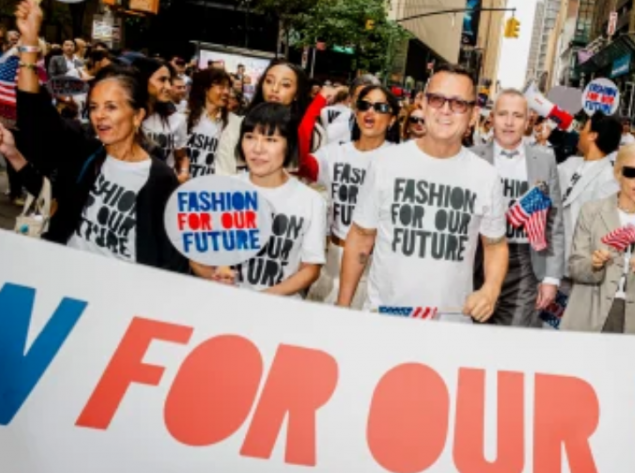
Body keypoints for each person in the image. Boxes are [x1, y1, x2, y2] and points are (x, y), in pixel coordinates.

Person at [1, 0, 187, 473]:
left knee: (92, 398)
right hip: (64, 291)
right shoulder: (85, 153)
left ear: (137, 113)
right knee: (49, 388)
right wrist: (30, 44)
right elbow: (34, 125)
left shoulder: (159, 185)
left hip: (117, 309)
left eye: (111, 107)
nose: (99, 115)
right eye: (95, 106)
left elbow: (170, 261)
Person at [337, 63, 509, 324]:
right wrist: (342, 309)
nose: (446, 110)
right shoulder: (385, 163)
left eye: (458, 103)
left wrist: (491, 289)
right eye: (437, 99)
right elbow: (361, 238)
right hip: (384, 321)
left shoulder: (486, 177)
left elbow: (495, 246)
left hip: (450, 327)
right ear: (424, 104)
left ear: (473, 115)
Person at [192, 103, 326, 297]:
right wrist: (214, 274)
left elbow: (310, 268)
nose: (257, 149)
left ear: (288, 145)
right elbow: (196, 257)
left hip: (279, 310)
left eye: (271, 139)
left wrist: (263, 298)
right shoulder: (221, 190)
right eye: (249, 137)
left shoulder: (311, 200)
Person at [471, 88, 565, 327]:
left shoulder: (544, 160)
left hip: (525, 261)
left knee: (514, 339)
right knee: (473, 333)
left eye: (517, 115)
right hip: (478, 257)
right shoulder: (472, 158)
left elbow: (554, 222)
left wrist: (551, 278)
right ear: (491, 117)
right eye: (503, 114)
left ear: (528, 120)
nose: (510, 122)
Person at [561, 141, 635, 334]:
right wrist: (593, 264)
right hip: (588, 314)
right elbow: (575, 267)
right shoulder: (592, 211)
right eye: (631, 172)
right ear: (618, 174)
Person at [307, 84, 399, 304]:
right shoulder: (335, 152)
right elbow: (296, 159)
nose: (370, 112)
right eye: (364, 105)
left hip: (372, 269)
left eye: (380, 108)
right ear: (355, 112)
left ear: (392, 119)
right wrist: (318, 101)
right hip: (330, 261)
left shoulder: (398, 159)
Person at [213, 60, 315, 175]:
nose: (275, 89)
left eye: (285, 84)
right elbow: (223, 176)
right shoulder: (237, 126)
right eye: (269, 81)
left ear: (297, 93)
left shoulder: (312, 133)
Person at [558, 110, 622, 262]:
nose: (579, 133)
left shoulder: (610, 178)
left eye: (584, 129)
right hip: (554, 255)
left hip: (580, 260)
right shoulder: (570, 163)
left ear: (593, 135)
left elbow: (602, 227)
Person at [133, 57, 189, 183]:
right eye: (162, 80)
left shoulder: (176, 119)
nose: (169, 87)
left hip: (162, 189)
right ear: (144, 79)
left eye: (169, 81)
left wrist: (183, 174)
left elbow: (181, 156)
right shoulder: (126, 116)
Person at [186, 67, 235, 178]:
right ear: (205, 89)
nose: (226, 92)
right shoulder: (184, 115)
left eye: (228, 87)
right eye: (221, 87)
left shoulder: (231, 123)